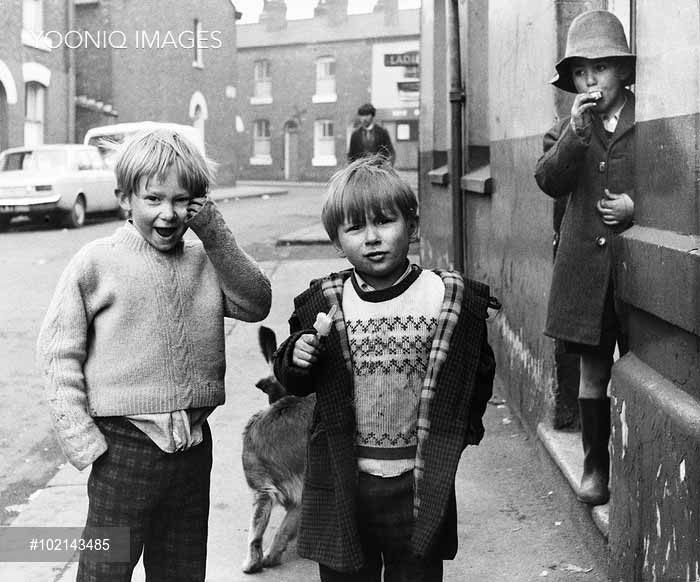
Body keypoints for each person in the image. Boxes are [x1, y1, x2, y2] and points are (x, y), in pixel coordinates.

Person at [36, 129, 272, 581]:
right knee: (105, 571)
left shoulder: (206, 259)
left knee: (181, 571)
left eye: (183, 201)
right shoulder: (96, 262)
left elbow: (256, 301)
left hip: (191, 450)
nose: (168, 214)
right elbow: (58, 351)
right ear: (125, 199)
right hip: (122, 450)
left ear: (199, 203)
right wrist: (83, 439)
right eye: (153, 199)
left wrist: (215, 233)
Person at [273, 155, 496, 581]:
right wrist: (297, 356)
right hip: (345, 481)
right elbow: (296, 379)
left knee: (416, 572)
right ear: (337, 241)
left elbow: (476, 371)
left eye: (384, 222)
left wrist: (456, 435)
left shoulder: (442, 299)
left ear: (411, 227)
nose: (372, 238)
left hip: (416, 482)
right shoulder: (326, 303)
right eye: (355, 228)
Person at [534, 9, 636, 506]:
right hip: (585, 273)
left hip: (635, 273)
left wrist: (637, 207)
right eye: (580, 70)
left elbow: (674, 182)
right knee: (593, 372)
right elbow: (549, 180)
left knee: (640, 368)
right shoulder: (568, 126)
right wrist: (574, 133)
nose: (590, 79)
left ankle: (633, 465)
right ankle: (596, 468)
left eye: (601, 67)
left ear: (624, 70)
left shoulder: (649, 117)